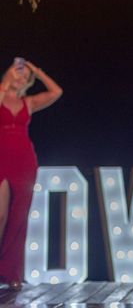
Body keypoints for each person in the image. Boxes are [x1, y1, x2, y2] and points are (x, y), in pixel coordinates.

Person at [0, 59, 62, 290]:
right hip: (1, 157)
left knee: (18, 217)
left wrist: (37, 70)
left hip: (24, 161)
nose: (21, 78)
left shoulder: (28, 102)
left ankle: (11, 273)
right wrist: (5, 84)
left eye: (25, 77)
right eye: (17, 73)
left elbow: (57, 91)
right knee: (1, 216)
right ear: (8, 74)